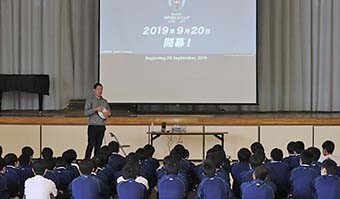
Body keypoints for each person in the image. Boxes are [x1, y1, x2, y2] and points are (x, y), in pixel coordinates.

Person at [84, 83, 111, 159]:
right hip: (93, 126)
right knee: (91, 144)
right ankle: (87, 161)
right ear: (94, 90)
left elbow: (108, 112)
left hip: (101, 126)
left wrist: (107, 114)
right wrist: (95, 109)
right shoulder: (90, 100)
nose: (100, 91)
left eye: (101, 89)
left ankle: (96, 162)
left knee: (98, 146)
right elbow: (86, 112)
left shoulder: (104, 101)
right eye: (98, 89)